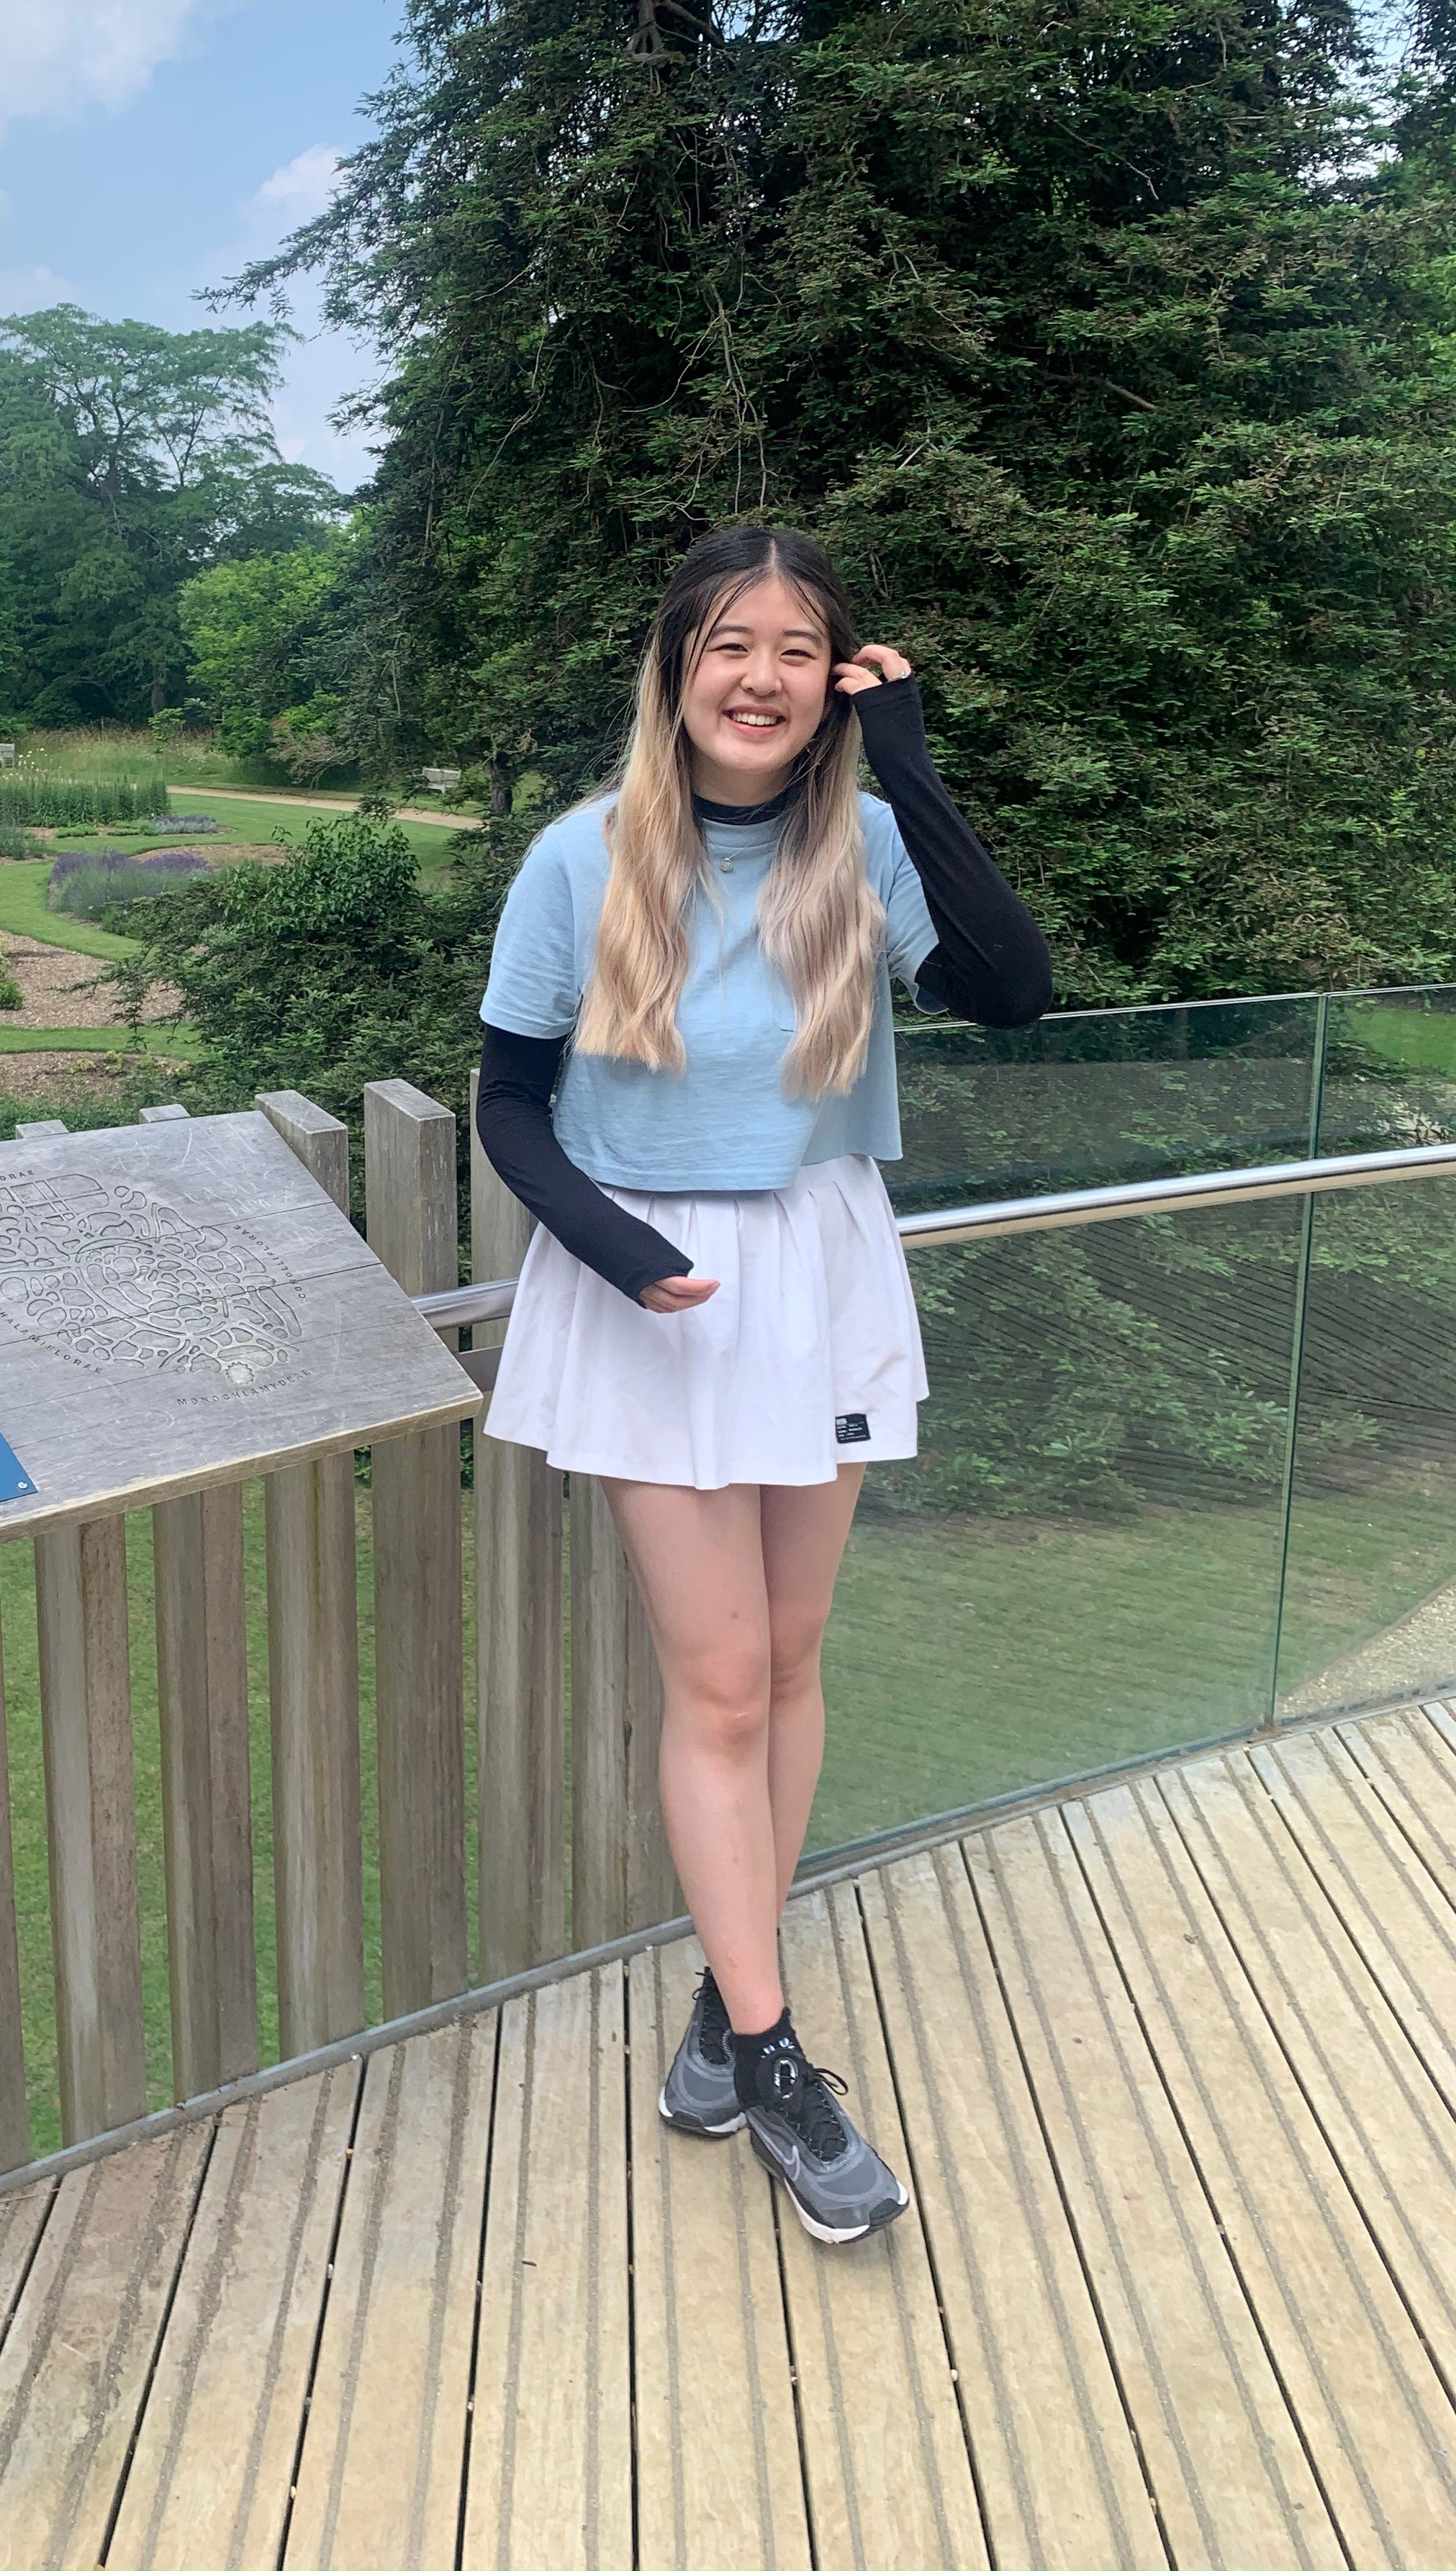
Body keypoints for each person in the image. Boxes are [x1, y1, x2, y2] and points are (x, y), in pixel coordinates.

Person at [473, 525, 1052, 2245]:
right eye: (729, 643)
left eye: (798, 649)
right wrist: (617, 1251)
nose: (761, 675)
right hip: (651, 1286)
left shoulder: (867, 841)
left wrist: (919, 768)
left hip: (815, 1267)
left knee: (791, 1664)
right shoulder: (581, 859)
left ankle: (730, 2000)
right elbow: (508, 1101)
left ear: (834, 683)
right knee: (720, 1681)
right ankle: (777, 2052)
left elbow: (1015, 995)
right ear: (677, 671)